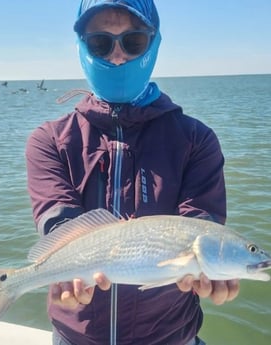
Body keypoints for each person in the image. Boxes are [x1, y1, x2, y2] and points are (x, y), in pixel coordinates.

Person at [25, 1, 240, 344]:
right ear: (82, 47)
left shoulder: (196, 140)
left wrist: (213, 272)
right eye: (100, 43)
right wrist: (61, 270)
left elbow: (201, 225)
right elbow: (60, 222)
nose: (117, 56)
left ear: (153, 43)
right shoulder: (49, 140)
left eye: (133, 41)